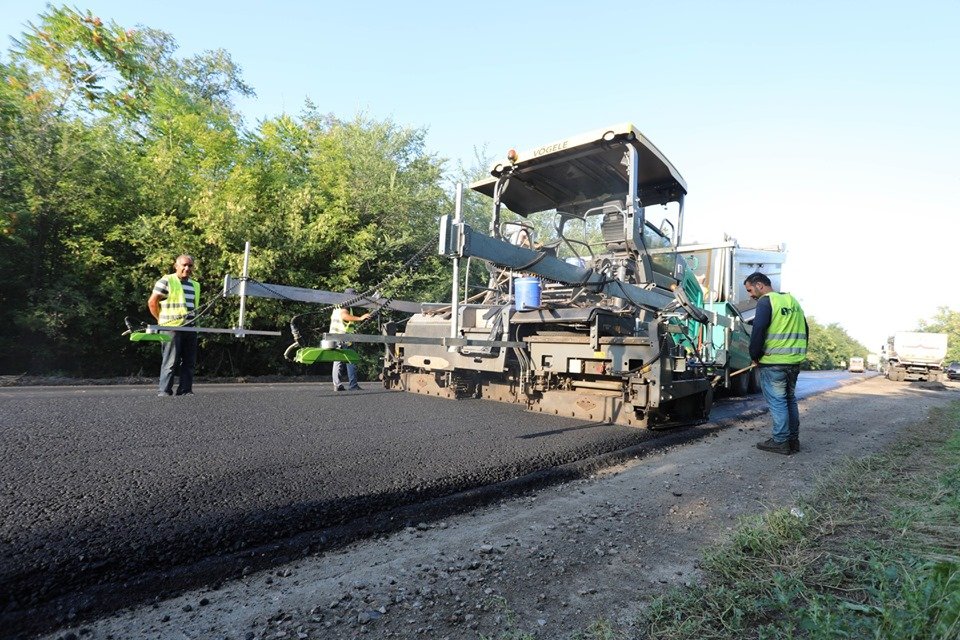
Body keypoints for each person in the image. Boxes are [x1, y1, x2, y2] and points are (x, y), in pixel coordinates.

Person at [744, 272, 808, 455]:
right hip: (793, 361)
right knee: (790, 399)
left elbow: (759, 329)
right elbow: (806, 328)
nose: (750, 294)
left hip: (773, 362)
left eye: (750, 290)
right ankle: (793, 441)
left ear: (760, 285)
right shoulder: (793, 301)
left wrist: (754, 355)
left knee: (778, 402)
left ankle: (780, 441)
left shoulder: (766, 301)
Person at [148, 255, 200, 397]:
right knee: (170, 361)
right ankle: (164, 390)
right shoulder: (167, 281)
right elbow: (152, 302)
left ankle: (185, 390)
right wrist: (161, 320)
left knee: (189, 361)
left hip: (190, 327)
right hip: (171, 327)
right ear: (176, 266)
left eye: (190, 266)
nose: (187, 268)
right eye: (184, 265)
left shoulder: (195, 285)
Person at [329, 288, 371, 391]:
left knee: (338, 360)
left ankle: (337, 385)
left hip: (335, 336)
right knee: (351, 359)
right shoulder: (345, 304)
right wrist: (360, 318)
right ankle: (353, 385)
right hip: (343, 337)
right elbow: (344, 316)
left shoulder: (337, 306)